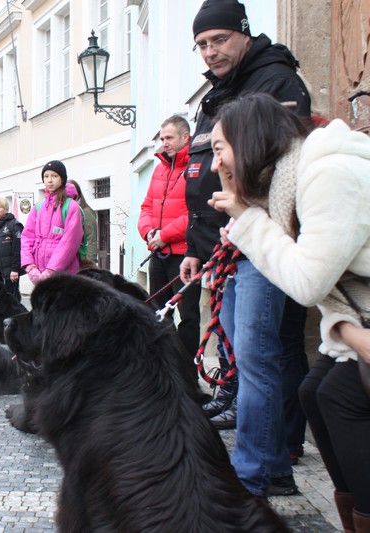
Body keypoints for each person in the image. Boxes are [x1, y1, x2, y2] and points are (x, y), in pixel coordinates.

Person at [209, 93, 370, 533]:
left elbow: (307, 283)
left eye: (219, 149)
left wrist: (246, 217)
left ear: (250, 142)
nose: (213, 165)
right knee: (316, 393)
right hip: (355, 327)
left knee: (341, 398)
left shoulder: (327, 174)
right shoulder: (293, 181)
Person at [178, 0, 311, 497]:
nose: (210, 52)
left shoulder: (275, 80)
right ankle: (271, 466)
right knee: (246, 358)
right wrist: (200, 245)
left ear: (244, 34)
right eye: (201, 45)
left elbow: (272, 170)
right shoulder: (220, 92)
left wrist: (239, 228)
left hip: (263, 241)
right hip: (230, 242)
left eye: (218, 40)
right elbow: (204, 170)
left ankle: (252, 472)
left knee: (257, 360)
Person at [138, 115, 201, 363]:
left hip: (185, 255)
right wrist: (149, 233)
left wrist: (165, 235)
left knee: (188, 317)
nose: (164, 143)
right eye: (162, 138)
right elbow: (146, 207)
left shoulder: (196, 166)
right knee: (158, 313)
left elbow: (194, 212)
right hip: (158, 254)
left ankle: (187, 373)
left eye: (169, 138)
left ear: (185, 137)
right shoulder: (160, 169)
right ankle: (166, 367)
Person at [21, 160, 84, 284]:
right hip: (39, 272)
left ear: (62, 179)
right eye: (46, 176)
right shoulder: (38, 207)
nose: (49, 180)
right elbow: (27, 237)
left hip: (64, 274)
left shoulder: (71, 206)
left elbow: (69, 242)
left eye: (54, 176)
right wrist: (30, 266)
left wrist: (51, 271)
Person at [66, 180, 99, 267]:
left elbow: (91, 239)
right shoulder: (66, 211)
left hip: (82, 262)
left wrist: (90, 265)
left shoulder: (86, 212)